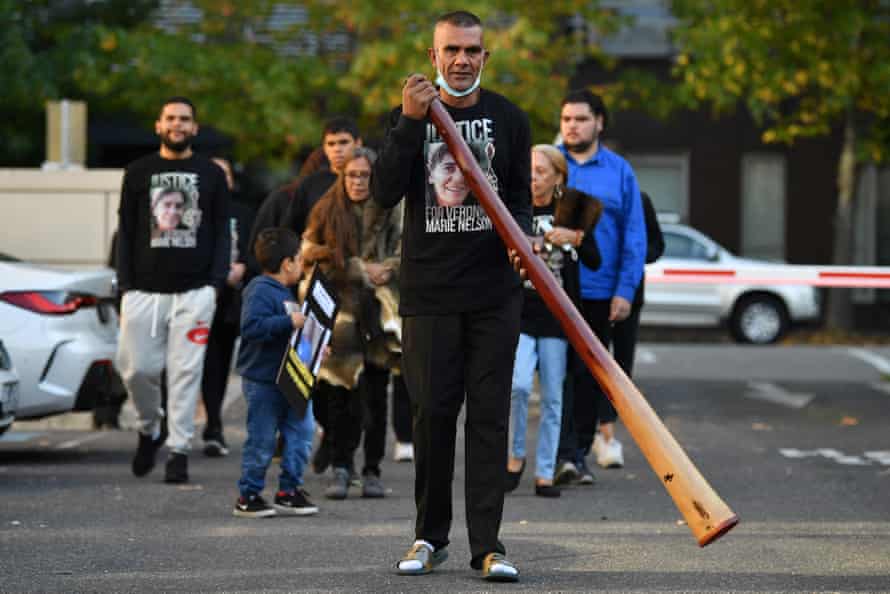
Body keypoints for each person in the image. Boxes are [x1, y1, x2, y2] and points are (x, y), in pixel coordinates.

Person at [372, 10, 531, 582]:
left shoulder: (509, 119)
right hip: (429, 294)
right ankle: (429, 537)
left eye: (472, 50)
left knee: (488, 419)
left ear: (485, 56)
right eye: (451, 50)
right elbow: (383, 193)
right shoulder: (407, 116)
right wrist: (410, 124)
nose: (462, 60)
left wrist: (523, 242)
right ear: (433, 56)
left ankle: (488, 547)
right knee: (432, 417)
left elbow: (520, 199)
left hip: (494, 295)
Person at [116, 96, 230, 484]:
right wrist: (125, 286)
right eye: (171, 118)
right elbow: (126, 231)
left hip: (195, 292)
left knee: (185, 373)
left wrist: (214, 285)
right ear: (158, 125)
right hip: (142, 292)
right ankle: (149, 428)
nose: (177, 124)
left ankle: (178, 450)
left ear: (194, 127)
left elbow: (221, 232)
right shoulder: (137, 172)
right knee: (136, 369)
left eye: (184, 119)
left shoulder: (210, 174)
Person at [554, 89, 646, 485]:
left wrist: (625, 290)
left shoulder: (620, 172)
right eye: (567, 119)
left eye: (581, 119)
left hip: (599, 291)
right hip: (552, 288)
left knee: (588, 376)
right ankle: (554, 455)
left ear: (599, 123)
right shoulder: (548, 163)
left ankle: (576, 455)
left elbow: (634, 235)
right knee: (553, 374)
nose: (572, 126)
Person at [301, 147, 402, 500]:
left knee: (376, 392)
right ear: (342, 177)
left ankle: (371, 469)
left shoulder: (391, 207)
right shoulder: (326, 209)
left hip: (381, 310)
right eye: (352, 175)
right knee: (337, 391)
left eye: (365, 175)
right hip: (338, 309)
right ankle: (341, 466)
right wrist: (358, 268)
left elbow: (407, 249)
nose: (358, 182)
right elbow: (309, 255)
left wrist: (388, 268)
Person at [506, 145, 602, 498]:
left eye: (541, 172)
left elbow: (594, 260)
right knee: (517, 386)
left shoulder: (572, 210)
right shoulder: (516, 206)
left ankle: (545, 471)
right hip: (521, 311)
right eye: (530, 170)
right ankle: (515, 457)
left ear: (558, 177)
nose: (533, 178)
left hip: (557, 316)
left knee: (552, 396)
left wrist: (575, 237)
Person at [233, 227, 318, 518]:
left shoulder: (286, 293)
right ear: (287, 263)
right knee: (262, 439)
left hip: (291, 378)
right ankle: (249, 494)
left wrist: (316, 347)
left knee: (302, 432)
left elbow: (293, 336)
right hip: (264, 381)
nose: (302, 265)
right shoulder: (259, 290)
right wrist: (288, 322)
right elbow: (251, 327)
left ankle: (288, 491)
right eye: (299, 259)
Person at [245, 117, 361, 280]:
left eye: (343, 142)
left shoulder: (372, 182)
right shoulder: (311, 184)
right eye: (331, 144)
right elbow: (290, 231)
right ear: (324, 148)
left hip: (367, 268)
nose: (337, 149)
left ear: (358, 143)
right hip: (319, 271)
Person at [199, 157, 256, 457]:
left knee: (218, 364)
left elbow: (255, 249)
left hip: (229, 301)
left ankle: (213, 424)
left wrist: (243, 266)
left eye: (226, 174)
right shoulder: (192, 210)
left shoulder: (243, 213)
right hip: (196, 296)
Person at [601, 191, 663, 461]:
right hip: (594, 293)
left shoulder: (641, 200)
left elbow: (657, 246)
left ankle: (609, 427)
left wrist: (634, 254)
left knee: (623, 365)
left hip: (631, 295)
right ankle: (600, 429)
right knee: (594, 363)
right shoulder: (592, 196)